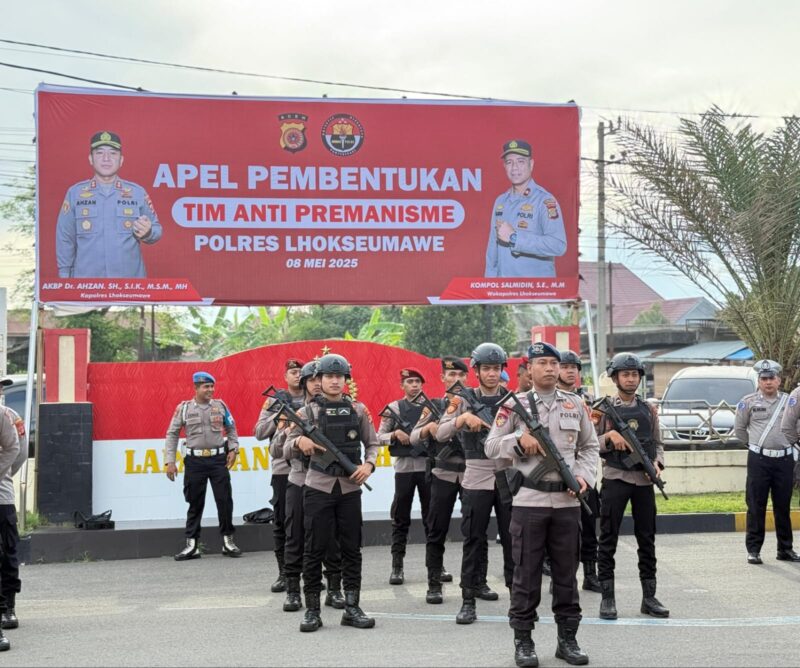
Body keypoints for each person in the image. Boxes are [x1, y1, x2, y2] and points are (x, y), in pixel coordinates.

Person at [486, 341, 598, 667]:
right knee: (526, 574)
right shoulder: (513, 405)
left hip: (567, 503)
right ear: (529, 369)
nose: (550, 368)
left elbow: (590, 447)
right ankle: (523, 641)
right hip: (529, 502)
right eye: (542, 363)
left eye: (554, 363)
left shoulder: (575, 404)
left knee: (566, 575)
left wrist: (584, 477)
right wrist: (517, 440)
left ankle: (568, 640)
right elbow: (491, 446)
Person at [285, 353, 378, 632]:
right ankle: (312, 611)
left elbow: (372, 444)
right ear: (320, 380)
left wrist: (368, 465)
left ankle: (352, 608)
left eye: (339, 376)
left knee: (352, 549)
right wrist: (299, 442)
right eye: (329, 376)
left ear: (346, 380)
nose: (335, 381)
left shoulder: (358, 410)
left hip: (350, 489)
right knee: (314, 549)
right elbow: (283, 447)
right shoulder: (306, 413)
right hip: (317, 487)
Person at [436, 342, 514, 625]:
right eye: (486, 368)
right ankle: (468, 600)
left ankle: (517, 600)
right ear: (477, 371)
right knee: (473, 539)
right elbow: (440, 433)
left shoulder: (514, 401)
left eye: (496, 368)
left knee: (512, 541)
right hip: (476, 475)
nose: (492, 374)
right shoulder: (462, 400)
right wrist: (462, 419)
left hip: (507, 475)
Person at [595, 353, 668, 620]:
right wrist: (609, 438)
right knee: (608, 538)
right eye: (625, 374)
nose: (630, 379)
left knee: (647, 539)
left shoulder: (648, 409)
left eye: (634, 374)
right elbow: (589, 442)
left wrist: (657, 464)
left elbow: (658, 443)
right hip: (616, 478)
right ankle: (607, 598)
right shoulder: (603, 409)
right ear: (615, 378)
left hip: (643, 481)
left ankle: (649, 597)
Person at [280, 361, 344, 613]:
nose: (318, 384)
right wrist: (296, 440)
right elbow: (277, 450)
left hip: (328, 482)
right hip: (300, 478)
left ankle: (335, 588)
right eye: (312, 380)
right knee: (295, 535)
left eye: (321, 379)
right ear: (304, 383)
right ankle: (293, 590)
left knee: (331, 537)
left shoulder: (342, 408)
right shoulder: (296, 413)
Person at [56, 130, 162, 278]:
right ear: (91, 159)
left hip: (129, 284)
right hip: (87, 284)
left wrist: (148, 233)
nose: (106, 158)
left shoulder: (137, 193)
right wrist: (64, 275)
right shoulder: (75, 193)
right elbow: (65, 237)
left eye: (113, 153)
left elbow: (157, 229)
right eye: (100, 153)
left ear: (121, 160)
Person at [165, 371, 242, 561]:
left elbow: (231, 428)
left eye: (212, 386)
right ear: (196, 388)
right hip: (194, 462)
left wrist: (233, 449)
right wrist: (170, 461)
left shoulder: (220, 406)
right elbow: (172, 433)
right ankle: (192, 544)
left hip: (218, 460)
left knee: (224, 500)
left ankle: (228, 541)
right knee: (194, 502)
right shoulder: (184, 408)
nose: (210, 390)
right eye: (206, 386)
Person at [410, 356, 467, 604]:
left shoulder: (474, 404)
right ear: (443, 378)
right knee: (436, 529)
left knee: (474, 530)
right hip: (442, 473)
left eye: (461, 375)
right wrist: (427, 429)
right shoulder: (434, 405)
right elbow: (413, 437)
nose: (456, 379)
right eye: (451, 375)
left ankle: (477, 582)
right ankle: (434, 583)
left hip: (471, 473)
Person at [738, 360, 800, 564]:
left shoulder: (790, 401)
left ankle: (785, 549)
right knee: (756, 505)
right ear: (759, 381)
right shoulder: (748, 402)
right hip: (759, 460)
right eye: (764, 378)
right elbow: (740, 430)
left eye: (772, 378)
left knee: (783, 506)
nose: (768, 382)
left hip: (785, 459)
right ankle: (754, 550)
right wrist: (756, 447)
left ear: (779, 380)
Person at [254, 358, 306, 593]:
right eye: (293, 372)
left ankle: (311, 571)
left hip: (308, 467)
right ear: (285, 377)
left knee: (310, 522)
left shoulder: (313, 399)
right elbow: (259, 432)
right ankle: (284, 573)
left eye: (300, 371)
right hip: (283, 468)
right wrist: (279, 418)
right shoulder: (274, 401)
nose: (297, 375)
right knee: (282, 521)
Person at [377, 367, 430, 585]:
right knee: (400, 518)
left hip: (427, 467)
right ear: (402, 385)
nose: (414, 385)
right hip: (404, 469)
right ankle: (397, 566)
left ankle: (436, 565)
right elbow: (378, 436)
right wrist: (395, 434)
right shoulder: (394, 408)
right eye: (410, 382)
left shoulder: (431, 407)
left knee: (432, 518)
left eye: (418, 382)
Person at [484, 139, 567, 278]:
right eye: (509, 162)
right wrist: (488, 286)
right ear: (504, 166)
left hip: (534, 289)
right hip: (503, 289)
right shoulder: (500, 201)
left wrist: (515, 238)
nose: (514, 168)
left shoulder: (545, 201)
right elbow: (492, 252)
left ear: (531, 164)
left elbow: (558, 245)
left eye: (521, 161)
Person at [557, 350, 601, 593]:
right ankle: (560, 577)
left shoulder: (588, 401)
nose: (570, 371)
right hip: (559, 472)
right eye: (565, 367)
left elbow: (594, 440)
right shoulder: (549, 399)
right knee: (561, 531)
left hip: (584, 473)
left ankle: (590, 574)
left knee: (589, 525)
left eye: (574, 367)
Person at [0, 379, 26, 635]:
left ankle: (8, 606)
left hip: (2, 498)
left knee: (7, 553)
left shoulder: (10, 416)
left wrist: (3, 473)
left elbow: (19, 453)